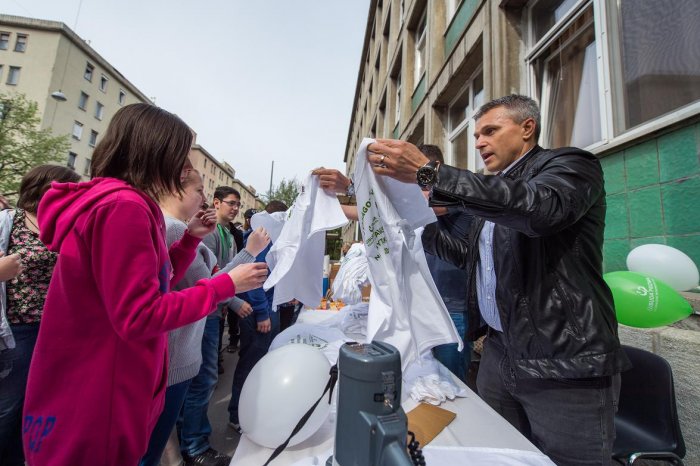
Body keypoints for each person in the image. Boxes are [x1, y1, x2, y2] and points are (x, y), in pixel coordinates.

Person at [366, 94, 630, 465]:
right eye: (476, 135)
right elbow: (468, 257)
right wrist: (410, 223)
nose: (479, 142)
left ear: (527, 128)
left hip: (562, 361)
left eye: (490, 131)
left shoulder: (572, 165)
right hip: (499, 352)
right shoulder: (492, 193)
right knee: (498, 454)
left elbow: (540, 209)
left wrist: (429, 173)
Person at [22, 103, 268, 466]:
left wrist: (187, 243)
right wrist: (225, 285)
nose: (185, 168)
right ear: (156, 153)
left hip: (91, 385)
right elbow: (139, 314)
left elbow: (150, 282)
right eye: (181, 156)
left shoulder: (118, 202)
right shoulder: (124, 207)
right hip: (101, 394)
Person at [140, 171, 270, 466]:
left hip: (185, 338)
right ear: (175, 190)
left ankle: (187, 447)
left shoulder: (185, 229)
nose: (204, 198)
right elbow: (210, 285)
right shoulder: (174, 228)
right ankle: (194, 446)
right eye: (199, 190)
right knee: (190, 397)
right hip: (178, 344)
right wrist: (250, 252)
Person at [0, 165, 80, 466]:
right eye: (68, 189)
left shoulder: (66, 226)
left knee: (34, 407)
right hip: (17, 331)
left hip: (54, 332)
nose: (74, 195)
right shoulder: (9, 220)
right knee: (8, 408)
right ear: (46, 189)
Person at [178, 185, 252, 464]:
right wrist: (234, 301)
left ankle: (189, 437)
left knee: (199, 378)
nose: (235, 208)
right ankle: (194, 444)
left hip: (214, 311)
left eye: (238, 204)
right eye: (231, 203)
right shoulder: (207, 233)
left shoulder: (227, 234)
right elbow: (211, 277)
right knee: (203, 380)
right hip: (205, 312)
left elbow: (224, 273)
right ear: (217, 202)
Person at [227, 200, 287, 434]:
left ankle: (253, 410)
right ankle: (238, 415)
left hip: (268, 307)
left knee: (262, 363)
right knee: (252, 363)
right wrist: (262, 313)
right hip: (258, 311)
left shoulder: (269, 235)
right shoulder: (263, 237)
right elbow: (255, 279)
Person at [416, 144, 474, 383]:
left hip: (454, 310)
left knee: (451, 383)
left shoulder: (456, 194)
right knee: (426, 377)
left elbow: (421, 204)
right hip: (427, 305)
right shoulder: (420, 196)